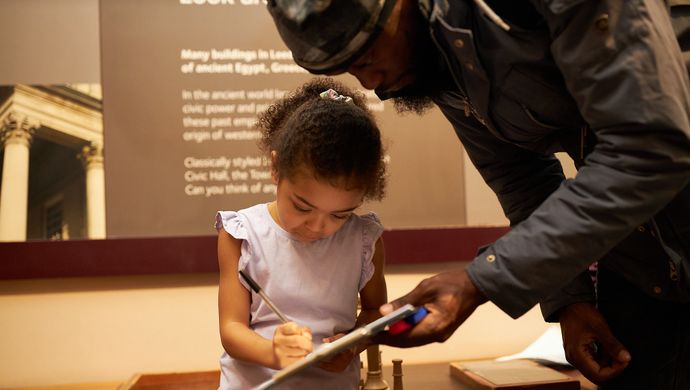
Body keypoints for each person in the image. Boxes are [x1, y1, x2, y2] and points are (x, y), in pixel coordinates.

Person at [267, 1, 690, 389]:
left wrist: (480, 281)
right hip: (640, 272)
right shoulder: (437, 60)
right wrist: (570, 300)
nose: (372, 85)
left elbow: (650, 149)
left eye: (366, 59)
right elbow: (521, 178)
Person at [215, 77, 388, 389]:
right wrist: (273, 352)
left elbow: (375, 311)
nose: (318, 226)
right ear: (275, 168)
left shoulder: (363, 239)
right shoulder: (242, 234)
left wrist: (352, 344)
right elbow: (231, 329)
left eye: (340, 214)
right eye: (302, 207)